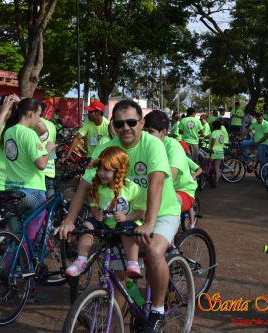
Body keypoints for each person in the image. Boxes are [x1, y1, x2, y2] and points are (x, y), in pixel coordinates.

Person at [57, 99, 181, 332]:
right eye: (120, 123)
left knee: (154, 251)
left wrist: (149, 223)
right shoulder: (108, 147)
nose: (126, 127)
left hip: (162, 210)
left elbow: (155, 184)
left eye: (132, 122)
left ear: (141, 123)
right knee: (119, 276)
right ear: (113, 125)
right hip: (123, 218)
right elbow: (85, 184)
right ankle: (116, 326)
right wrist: (69, 220)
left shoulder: (153, 145)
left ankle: (157, 310)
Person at [64, 146, 146, 278]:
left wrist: (127, 217)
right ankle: (81, 260)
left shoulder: (133, 188)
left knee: (126, 229)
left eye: (107, 170)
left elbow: (141, 212)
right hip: (106, 226)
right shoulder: (99, 186)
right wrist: (95, 211)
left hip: (125, 226)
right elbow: (90, 197)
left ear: (119, 171)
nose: (101, 173)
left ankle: (132, 263)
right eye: (100, 169)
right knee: (87, 226)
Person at [2, 97, 54, 253]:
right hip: (32, 193)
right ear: (31, 113)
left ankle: (7, 270)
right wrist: (49, 148)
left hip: (10, 191)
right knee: (30, 241)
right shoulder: (30, 134)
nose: (38, 119)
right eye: (38, 115)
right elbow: (41, 164)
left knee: (15, 238)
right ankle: (28, 275)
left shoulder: (8, 131)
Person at [144, 110, 198, 226]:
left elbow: (170, 179)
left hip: (182, 191)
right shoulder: (146, 145)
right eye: (145, 131)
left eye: (151, 132)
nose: (146, 136)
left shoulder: (173, 147)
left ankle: (169, 242)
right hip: (156, 188)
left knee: (163, 205)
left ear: (163, 132)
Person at [37, 100, 57, 198]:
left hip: (37, 168)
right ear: (44, 112)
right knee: (50, 200)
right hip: (50, 168)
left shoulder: (31, 125)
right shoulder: (52, 126)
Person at [208, 120, 225, 188]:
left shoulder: (214, 132)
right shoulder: (221, 133)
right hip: (220, 151)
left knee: (206, 164)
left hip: (214, 151)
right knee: (217, 168)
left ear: (214, 126)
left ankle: (206, 178)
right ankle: (215, 183)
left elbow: (213, 140)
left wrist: (211, 147)